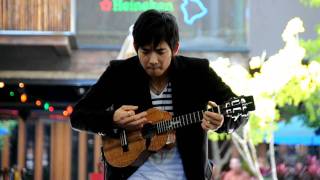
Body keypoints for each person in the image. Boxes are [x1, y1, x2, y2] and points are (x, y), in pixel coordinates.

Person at [70, 9, 248, 180]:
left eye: (160, 51)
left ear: (175, 48)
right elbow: (78, 115)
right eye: (145, 51)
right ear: (135, 47)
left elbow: (241, 110)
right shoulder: (119, 73)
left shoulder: (197, 72)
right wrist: (112, 119)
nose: (152, 60)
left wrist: (223, 121)